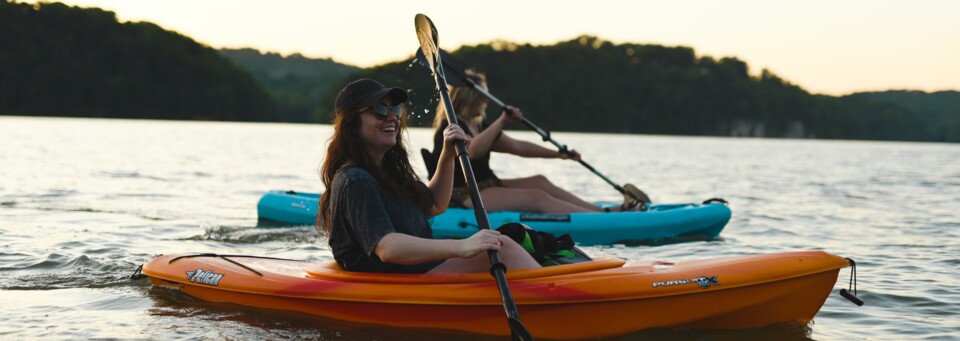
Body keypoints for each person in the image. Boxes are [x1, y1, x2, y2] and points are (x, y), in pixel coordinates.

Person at [317, 78, 541, 274]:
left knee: (521, 233)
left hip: (420, 269)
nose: (392, 118)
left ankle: (567, 277)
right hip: (397, 280)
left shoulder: (387, 173)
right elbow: (387, 247)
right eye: (379, 110)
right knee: (505, 247)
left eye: (394, 109)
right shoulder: (355, 179)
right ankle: (562, 295)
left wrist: (447, 156)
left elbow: (435, 204)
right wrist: (462, 247)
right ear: (351, 124)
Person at [430, 70, 637, 214]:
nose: (486, 100)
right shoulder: (450, 128)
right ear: (469, 98)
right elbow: (472, 150)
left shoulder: (480, 125)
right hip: (464, 194)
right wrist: (502, 120)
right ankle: (602, 219)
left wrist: (559, 155)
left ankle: (604, 212)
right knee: (536, 196)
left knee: (540, 181)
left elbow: (519, 147)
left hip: (487, 184)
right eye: (483, 95)